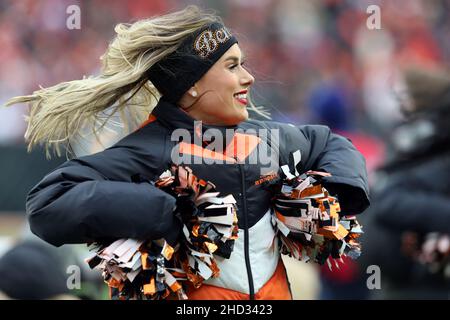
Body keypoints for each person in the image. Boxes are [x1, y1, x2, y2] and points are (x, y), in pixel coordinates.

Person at [5, 6, 369, 300]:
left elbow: (331, 143)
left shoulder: (269, 139)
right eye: (232, 66)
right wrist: (163, 210)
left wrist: (332, 194)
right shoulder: (149, 150)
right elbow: (47, 203)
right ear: (191, 87)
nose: (248, 77)